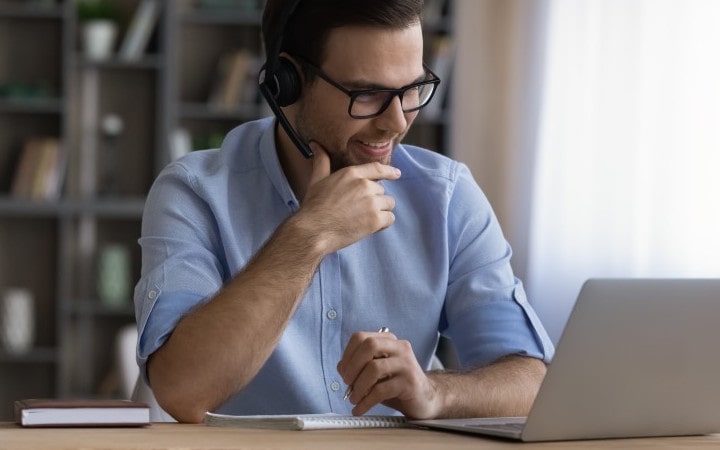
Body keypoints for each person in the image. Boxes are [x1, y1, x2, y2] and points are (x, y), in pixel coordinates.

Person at [134, 0, 554, 424]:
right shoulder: (194, 192)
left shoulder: (447, 197)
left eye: (411, 90)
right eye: (367, 94)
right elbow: (181, 390)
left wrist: (434, 392)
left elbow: (532, 383)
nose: (396, 122)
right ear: (287, 82)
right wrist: (308, 235)